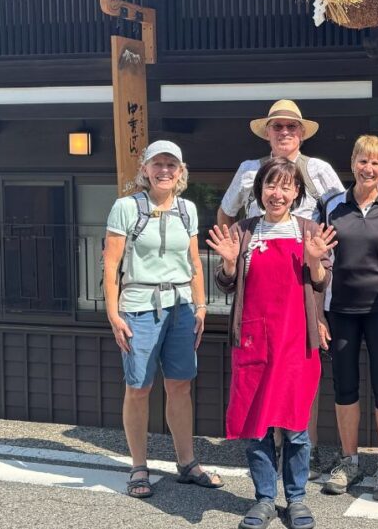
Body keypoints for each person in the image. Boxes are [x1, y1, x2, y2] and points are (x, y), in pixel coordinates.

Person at [218, 98, 344, 478]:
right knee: (260, 392)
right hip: (260, 283)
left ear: (302, 133)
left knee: (299, 383)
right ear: (267, 133)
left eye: (292, 127)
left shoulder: (318, 170)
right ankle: (266, 469)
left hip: (308, 280)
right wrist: (230, 254)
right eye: (278, 127)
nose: (285, 133)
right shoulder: (248, 171)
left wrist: (318, 311)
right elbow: (226, 213)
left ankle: (308, 454)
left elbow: (339, 223)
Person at [210, 157, 337, 529]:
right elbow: (225, 281)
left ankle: (296, 499)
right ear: (260, 190)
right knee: (257, 425)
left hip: (296, 341)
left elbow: (321, 281)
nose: (277, 193)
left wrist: (315, 262)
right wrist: (231, 265)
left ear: (297, 192)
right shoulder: (245, 231)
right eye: (271, 185)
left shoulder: (308, 229)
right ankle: (265, 498)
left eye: (286, 186)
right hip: (253, 341)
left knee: (296, 427)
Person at [103, 140, 223, 498]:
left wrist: (201, 307)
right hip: (139, 305)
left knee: (180, 384)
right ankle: (139, 466)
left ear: (181, 171)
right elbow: (111, 264)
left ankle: (186, 462)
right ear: (145, 169)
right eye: (158, 164)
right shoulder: (125, 207)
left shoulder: (187, 209)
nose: (165, 171)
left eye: (172, 165)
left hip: (181, 305)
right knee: (139, 387)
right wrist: (113, 313)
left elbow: (195, 263)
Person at [319, 135, 378, 502]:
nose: (369, 168)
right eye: (363, 161)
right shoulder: (332, 206)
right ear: (353, 162)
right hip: (340, 307)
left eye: (376, 163)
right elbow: (317, 256)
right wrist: (318, 313)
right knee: (344, 386)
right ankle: (350, 461)